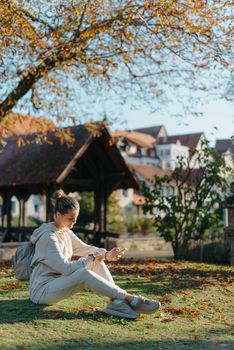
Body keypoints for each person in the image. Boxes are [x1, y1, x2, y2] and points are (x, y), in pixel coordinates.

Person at [29, 189, 161, 319]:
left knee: (95, 261)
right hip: (42, 291)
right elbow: (65, 268)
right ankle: (129, 298)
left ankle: (116, 302)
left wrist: (107, 254)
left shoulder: (65, 231)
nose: (74, 222)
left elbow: (86, 249)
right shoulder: (48, 237)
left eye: (76, 218)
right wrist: (91, 258)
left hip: (58, 283)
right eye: (70, 218)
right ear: (58, 215)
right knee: (84, 271)